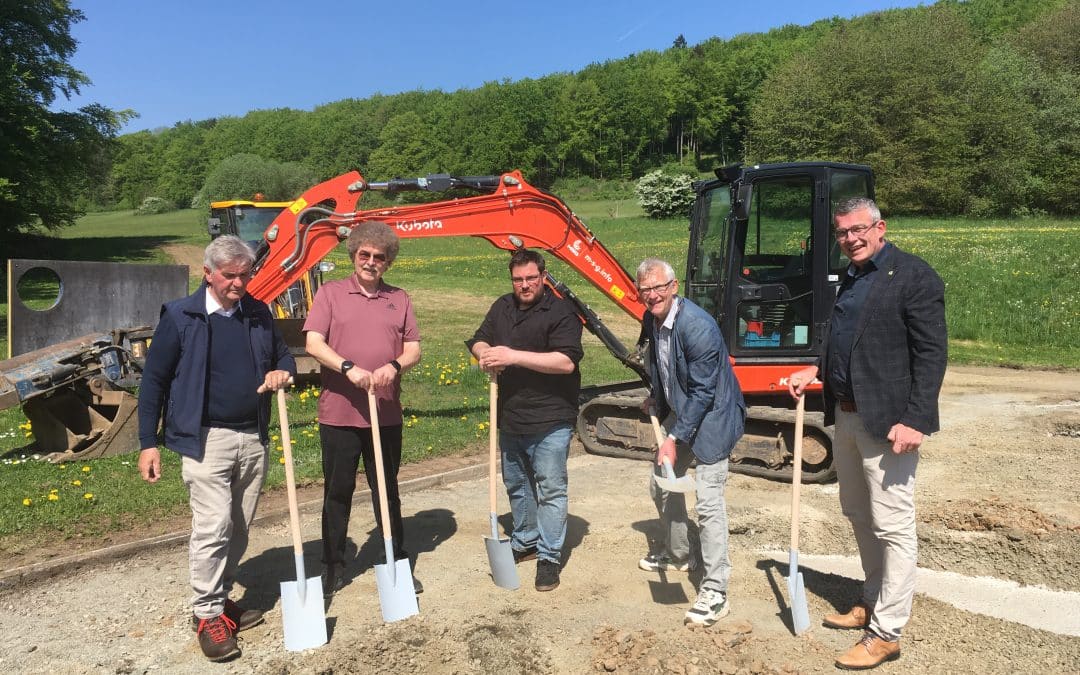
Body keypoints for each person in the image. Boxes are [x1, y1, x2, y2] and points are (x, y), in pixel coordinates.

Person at [787, 197, 946, 670]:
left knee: (894, 525)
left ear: (881, 228)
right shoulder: (852, 277)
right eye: (843, 232)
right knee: (858, 512)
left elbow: (932, 354)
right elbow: (843, 342)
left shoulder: (914, 276)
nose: (851, 239)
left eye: (859, 230)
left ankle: (887, 632)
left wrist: (916, 418)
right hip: (849, 415)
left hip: (890, 422)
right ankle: (874, 600)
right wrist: (811, 371)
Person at [137, 235, 295, 662]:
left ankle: (220, 599)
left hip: (252, 437)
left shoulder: (258, 313)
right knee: (213, 526)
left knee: (239, 527)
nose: (239, 284)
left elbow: (285, 357)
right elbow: (153, 381)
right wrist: (147, 443)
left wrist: (282, 373)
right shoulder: (181, 316)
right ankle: (207, 615)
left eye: (245, 275)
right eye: (230, 276)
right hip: (205, 439)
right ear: (208, 273)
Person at [303, 222, 422, 597]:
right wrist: (347, 367)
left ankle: (394, 558)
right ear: (353, 255)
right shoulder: (331, 294)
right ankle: (333, 565)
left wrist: (395, 366)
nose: (371, 262)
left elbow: (413, 348)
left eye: (379, 257)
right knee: (337, 492)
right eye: (364, 255)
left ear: (388, 262)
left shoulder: (399, 298)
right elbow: (313, 343)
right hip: (339, 414)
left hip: (384, 414)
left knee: (387, 490)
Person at [635, 257, 746, 627]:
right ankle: (681, 553)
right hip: (684, 412)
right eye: (645, 290)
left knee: (709, 504)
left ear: (674, 286)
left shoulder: (697, 326)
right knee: (661, 485)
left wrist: (674, 437)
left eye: (658, 288)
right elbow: (664, 368)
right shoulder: (651, 320)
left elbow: (703, 391)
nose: (652, 296)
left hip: (713, 418)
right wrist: (658, 398)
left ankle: (716, 591)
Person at [467, 249, 583, 592]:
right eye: (518, 279)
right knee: (517, 485)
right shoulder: (502, 306)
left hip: (551, 416)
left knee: (550, 488)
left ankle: (549, 556)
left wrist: (512, 356)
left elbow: (565, 362)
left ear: (543, 277)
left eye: (531, 278)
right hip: (511, 414)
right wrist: (485, 354)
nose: (525, 285)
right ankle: (527, 539)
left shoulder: (561, 312)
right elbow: (478, 338)